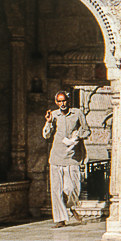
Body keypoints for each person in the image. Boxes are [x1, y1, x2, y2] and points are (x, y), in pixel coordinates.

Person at [42, 91, 90, 227]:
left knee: (72, 188)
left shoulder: (77, 113)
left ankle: (71, 207)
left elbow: (86, 130)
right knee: (56, 190)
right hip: (57, 157)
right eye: (59, 101)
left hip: (72, 157)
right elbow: (46, 135)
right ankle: (60, 220)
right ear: (56, 102)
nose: (62, 104)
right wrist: (48, 122)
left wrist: (78, 136)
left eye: (64, 101)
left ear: (69, 101)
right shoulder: (54, 115)